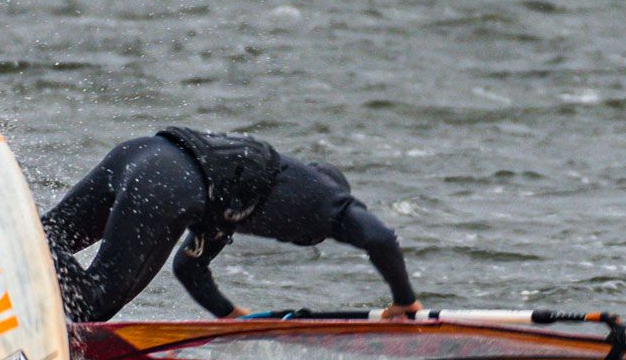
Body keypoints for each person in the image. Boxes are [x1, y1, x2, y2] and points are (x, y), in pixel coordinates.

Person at [42, 126, 422, 322]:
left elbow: (189, 267)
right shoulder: (324, 197)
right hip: (168, 182)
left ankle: (16, 257)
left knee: (49, 234)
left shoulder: (246, 195)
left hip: (141, 152)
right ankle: (39, 267)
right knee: (93, 305)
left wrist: (229, 315)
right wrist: (405, 301)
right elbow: (381, 237)